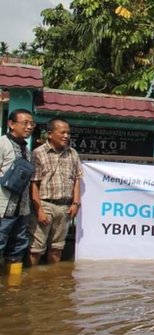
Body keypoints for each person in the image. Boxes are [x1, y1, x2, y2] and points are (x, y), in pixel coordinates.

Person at [28, 117, 83, 265]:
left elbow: (77, 179)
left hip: (64, 207)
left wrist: (75, 203)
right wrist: (39, 210)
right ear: (50, 134)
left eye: (68, 133)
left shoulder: (72, 153)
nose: (66, 136)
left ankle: (53, 283)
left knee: (57, 248)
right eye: (63, 132)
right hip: (45, 205)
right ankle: (33, 280)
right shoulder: (38, 153)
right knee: (35, 249)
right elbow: (34, 184)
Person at [0, 109, 34, 273]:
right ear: (11, 124)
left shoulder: (27, 151)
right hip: (3, 209)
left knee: (17, 250)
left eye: (31, 124)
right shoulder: (2, 144)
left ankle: (13, 289)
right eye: (25, 123)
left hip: (21, 211)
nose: (29, 127)